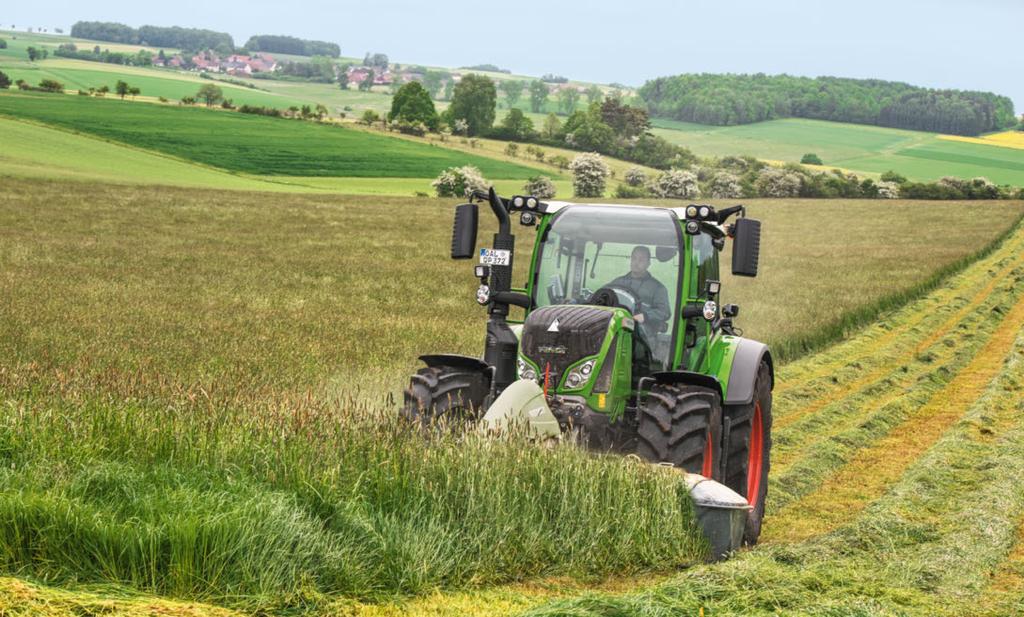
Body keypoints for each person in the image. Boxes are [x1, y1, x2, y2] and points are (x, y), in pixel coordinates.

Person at [608, 245, 670, 334]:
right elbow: (601, 295)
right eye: (634, 258)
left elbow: (664, 311)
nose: (636, 263)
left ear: (648, 263)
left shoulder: (658, 288)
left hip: (643, 337)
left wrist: (645, 316)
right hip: (617, 329)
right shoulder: (617, 282)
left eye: (641, 260)